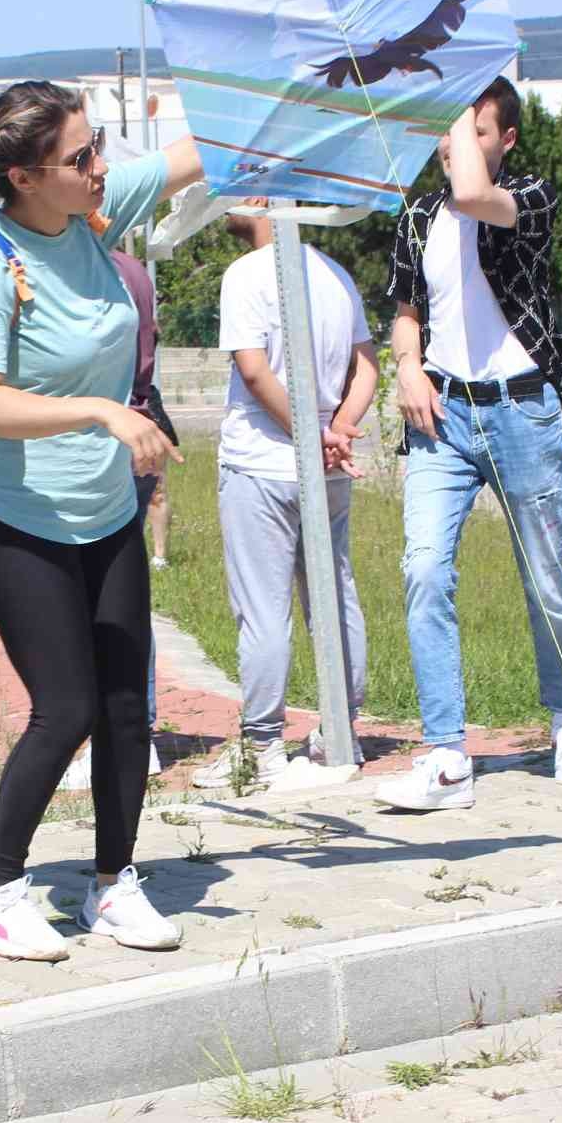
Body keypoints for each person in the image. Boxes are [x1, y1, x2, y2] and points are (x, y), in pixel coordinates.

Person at [0, 80, 204, 962]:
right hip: (20, 519)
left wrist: (307, 72)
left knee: (129, 709)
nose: (103, 166)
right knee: (66, 708)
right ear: (24, 175)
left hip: (104, 512)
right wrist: (100, 411)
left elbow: (198, 153)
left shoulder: (91, 209)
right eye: (83, 156)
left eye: (101, 148)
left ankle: (110, 885)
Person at [377, 76, 562, 812]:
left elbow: (474, 195)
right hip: (442, 417)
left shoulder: (528, 199)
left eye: (474, 128)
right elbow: (407, 311)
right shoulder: (416, 218)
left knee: (545, 577)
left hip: (522, 411)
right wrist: (407, 368)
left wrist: (465, 81)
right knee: (424, 569)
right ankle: (446, 756)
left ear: (505, 141)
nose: (454, 142)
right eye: (448, 128)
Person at [191, 198, 377, 791]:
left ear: (269, 201)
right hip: (326, 465)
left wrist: (316, 434)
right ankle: (340, 728)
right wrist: (339, 428)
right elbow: (367, 365)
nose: (228, 204)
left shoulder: (246, 274)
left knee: (263, 607)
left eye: (242, 190)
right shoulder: (334, 272)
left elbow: (254, 371)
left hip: (264, 463)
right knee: (333, 595)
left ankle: (263, 744)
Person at [57, 245, 181, 791]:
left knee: (89, 603)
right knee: (120, 598)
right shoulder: (132, 271)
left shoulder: (90, 271)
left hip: (99, 443)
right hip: (136, 432)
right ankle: (135, 733)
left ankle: (112, 735)